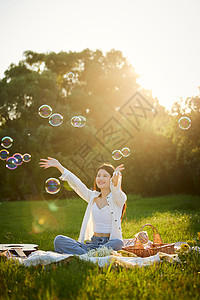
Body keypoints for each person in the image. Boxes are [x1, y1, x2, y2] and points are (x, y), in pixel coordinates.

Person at [39, 157, 127, 255]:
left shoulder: (118, 199)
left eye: (105, 176)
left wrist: (116, 183)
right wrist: (59, 166)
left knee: (118, 243)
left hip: (110, 243)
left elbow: (117, 192)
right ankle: (95, 254)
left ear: (112, 179)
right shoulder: (92, 196)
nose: (100, 178)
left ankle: (89, 254)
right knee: (58, 240)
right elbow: (77, 184)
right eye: (98, 175)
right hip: (92, 244)